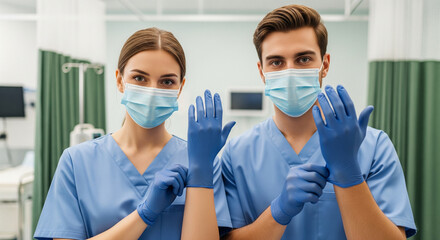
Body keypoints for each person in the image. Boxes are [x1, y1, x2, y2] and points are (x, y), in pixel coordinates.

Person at [221, 5, 416, 240]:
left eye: (303, 59)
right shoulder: (236, 155)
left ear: (324, 65)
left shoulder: (373, 147)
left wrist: (349, 174)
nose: (290, 71)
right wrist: (278, 212)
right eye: (276, 62)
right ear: (262, 71)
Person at [34, 27, 235, 240]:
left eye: (167, 82)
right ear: (120, 80)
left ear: (180, 88)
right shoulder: (76, 162)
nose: (151, 91)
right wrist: (144, 214)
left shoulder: (203, 162)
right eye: (139, 78)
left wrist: (200, 172)